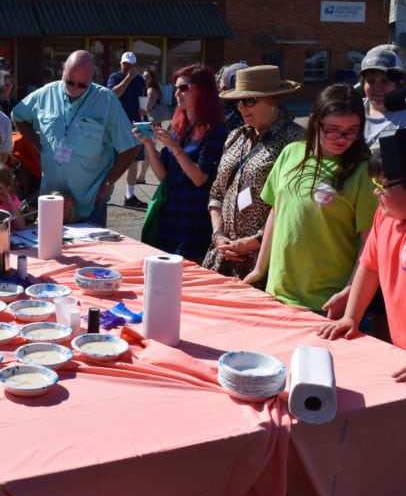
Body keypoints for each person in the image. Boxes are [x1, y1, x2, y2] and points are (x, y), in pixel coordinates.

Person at [317, 154, 406, 387]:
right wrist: (351, 317)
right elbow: (369, 267)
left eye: (382, 185)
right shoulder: (386, 214)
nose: (375, 192)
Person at [245, 84, 378, 317]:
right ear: (315, 120)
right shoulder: (291, 153)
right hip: (276, 292)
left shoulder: (363, 171)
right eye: (334, 129)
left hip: (325, 301)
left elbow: (370, 245)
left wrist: (349, 290)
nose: (343, 138)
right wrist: (259, 270)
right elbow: (277, 212)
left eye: (352, 130)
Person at [12, 50, 140, 226]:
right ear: (63, 71)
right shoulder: (46, 93)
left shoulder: (106, 100)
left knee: (91, 253)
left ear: (91, 80)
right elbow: (18, 115)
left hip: (89, 202)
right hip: (51, 200)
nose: (74, 88)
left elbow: (131, 146)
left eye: (82, 85)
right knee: (49, 252)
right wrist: (38, 146)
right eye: (70, 82)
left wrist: (109, 181)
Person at [203, 66, 304, 279]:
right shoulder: (235, 137)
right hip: (223, 256)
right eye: (238, 101)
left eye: (249, 100)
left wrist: (255, 241)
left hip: (266, 261)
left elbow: (295, 207)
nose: (240, 107)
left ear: (273, 99)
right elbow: (217, 193)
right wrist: (219, 235)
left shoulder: (297, 140)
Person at [137, 64, 228, 262]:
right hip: (170, 218)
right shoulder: (178, 127)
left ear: (202, 90)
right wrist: (148, 144)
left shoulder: (216, 131)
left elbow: (199, 178)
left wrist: (175, 147)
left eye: (183, 88)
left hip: (194, 221)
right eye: (176, 87)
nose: (177, 93)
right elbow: (163, 176)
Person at [107, 52, 148, 208]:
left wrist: (144, 108)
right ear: (121, 63)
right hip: (118, 123)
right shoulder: (115, 78)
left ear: (135, 65)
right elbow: (113, 94)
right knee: (112, 159)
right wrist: (128, 78)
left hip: (137, 122)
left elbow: (143, 96)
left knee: (135, 159)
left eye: (130, 65)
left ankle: (130, 195)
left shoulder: (140, 80)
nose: (127, 67)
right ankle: (105, 190)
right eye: (125, 64)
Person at [359, 45, 406, 147]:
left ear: (399, 84)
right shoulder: (353, 109)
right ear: (362, 84)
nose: (377, 87)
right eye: (371, 81)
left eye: (385, 81)